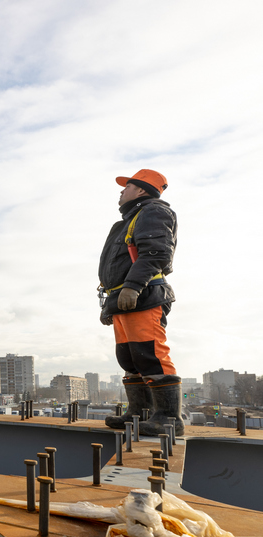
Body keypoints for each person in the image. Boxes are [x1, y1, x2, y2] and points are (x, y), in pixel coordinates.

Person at [98, 169, 183, 435]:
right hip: (124, 299)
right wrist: (110, 302)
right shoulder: (127, 221)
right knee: (130, 358)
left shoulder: (154, 212)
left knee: (150, 353)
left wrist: (133, 287)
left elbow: (156, 253)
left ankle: (168, 418)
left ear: (142, 190)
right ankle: (140, 413)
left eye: (127, 187)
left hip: (142, 296)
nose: (121, 191)